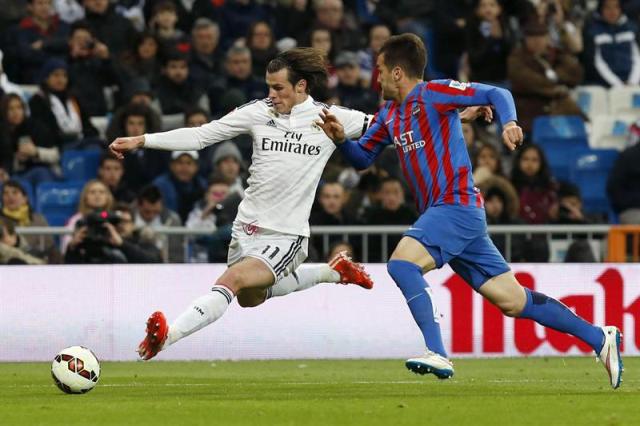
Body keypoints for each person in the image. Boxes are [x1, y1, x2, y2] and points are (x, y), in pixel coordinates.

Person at [316, 33, 623, 389]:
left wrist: (509, 122)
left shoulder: (435, 93)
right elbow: (362, 159)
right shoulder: (389, 115)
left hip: (455, 206)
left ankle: (437, 352)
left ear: (398, 72)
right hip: (454, 218)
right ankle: (600, 337)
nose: (377, 77)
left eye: (381, 70)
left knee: (402, 264)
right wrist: (340, 140)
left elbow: (497, 93)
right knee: (512, 300)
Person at [108, 47, 379, 361]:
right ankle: (331, 271)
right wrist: (143, 140)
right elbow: (201, 136)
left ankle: (167, 337)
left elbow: (384, 127)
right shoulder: (258, 112)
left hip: (286, 235)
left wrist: (434, 125)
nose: (271, 94)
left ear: (301, 86)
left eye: (278, 87)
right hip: (246, 229)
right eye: (268, 86)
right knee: (250, 298)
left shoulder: (330, 116)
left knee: (232, 281)